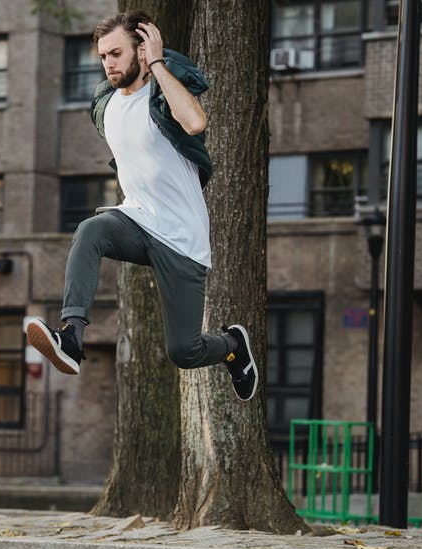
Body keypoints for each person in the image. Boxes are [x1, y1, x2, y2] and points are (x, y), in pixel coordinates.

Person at [24, 10, 258, 401]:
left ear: (141, 48)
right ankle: (72, 337)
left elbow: (195, 123)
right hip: (137, 221)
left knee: (184, 351)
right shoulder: (105, 103)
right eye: (103, 56)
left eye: (116, 53)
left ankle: (232, 345)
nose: (108, 63)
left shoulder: (162, 93)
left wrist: (158, 64)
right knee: (90, 230)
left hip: (181, 237)